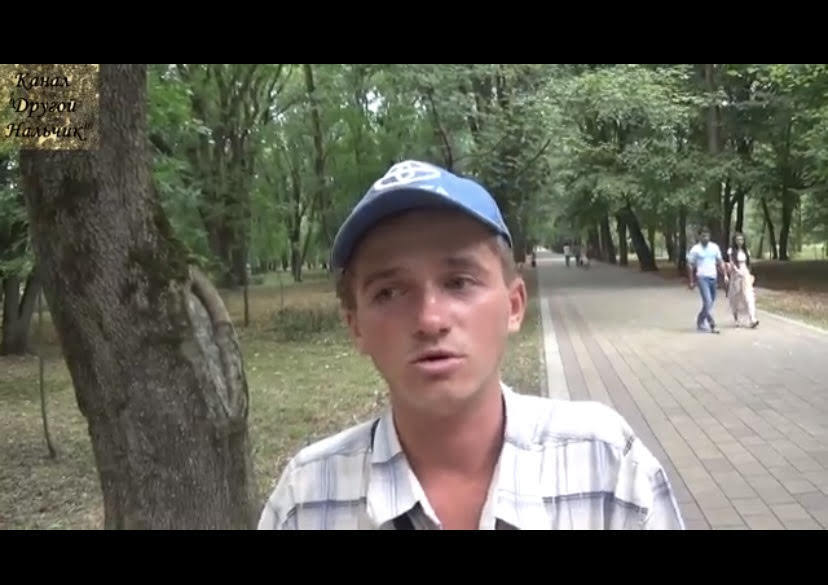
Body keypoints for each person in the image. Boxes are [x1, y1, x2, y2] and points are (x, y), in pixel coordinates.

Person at [258, 160, 684, 530]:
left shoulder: (606, 469)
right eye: (389, 292)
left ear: (514, 306)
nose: (430, 320)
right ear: (356, 327)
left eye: (459, 282)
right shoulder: (306, 499)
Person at [687, 227, 729, 334]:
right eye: (703, 235)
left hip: (713, 277)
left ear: (710, 236)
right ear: (699, 237)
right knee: (708, 301)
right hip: (702, 278)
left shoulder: (714, 247)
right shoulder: (695, 249)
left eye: (707, 235)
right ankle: (712, 325)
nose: (705, 237)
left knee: (710, 303)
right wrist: (691, 281)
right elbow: (690, 265)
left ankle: (700, 320)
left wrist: (725, 275)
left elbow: (720, 262)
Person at [726, 232, 759, 329]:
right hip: (735, 276)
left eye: (741, 239)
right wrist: (737, 271)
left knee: (749, 296)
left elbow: (748, 264)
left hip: (745, 275)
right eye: (738, 240)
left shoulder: (746, 251)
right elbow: (732, 263)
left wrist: (748, 273)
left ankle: (752, 319)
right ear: (734, 241)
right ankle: (736, 319)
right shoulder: (731, 251)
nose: (740, 241)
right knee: (735, 298)